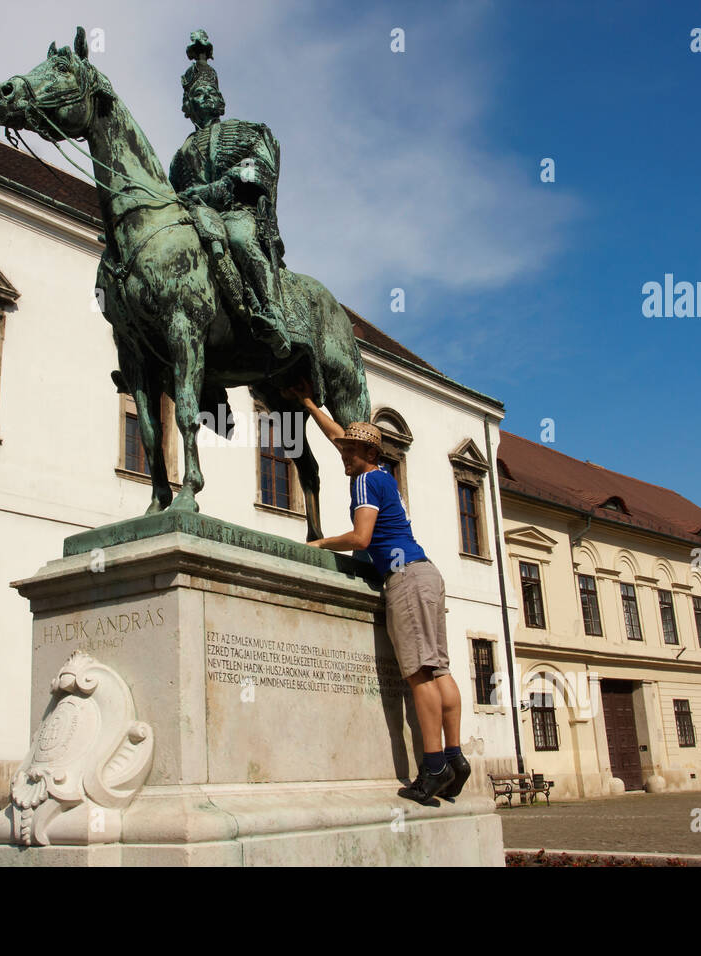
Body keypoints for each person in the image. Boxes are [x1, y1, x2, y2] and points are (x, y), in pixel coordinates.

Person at [290, 380, 470, 805]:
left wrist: (317, 544)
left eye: (350, 451)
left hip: (403, 577)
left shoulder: (365, 481)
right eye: (344, 448)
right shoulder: (382, 475)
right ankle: (456, 756)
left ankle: (433, 766)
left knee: (419, 674)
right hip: (427, 572)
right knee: (440, 669)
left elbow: (361, 536)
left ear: (368, 454)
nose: (343, 454)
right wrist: (309, 403)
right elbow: (337, 434)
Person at [169, 30, 290, 359]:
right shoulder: (180, 156)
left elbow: (260, 165)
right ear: (187, 105)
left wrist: (221, 185)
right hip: (196, 219)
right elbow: (172, 194)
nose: (205, 99)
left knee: (237, 238)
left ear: (219, 100)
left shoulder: (244, 130)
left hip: (236, 211)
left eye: (210, 93)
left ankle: (272, 314)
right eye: (197, 95)